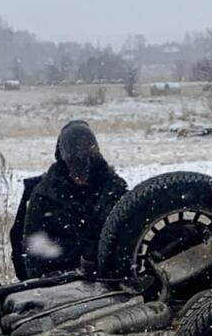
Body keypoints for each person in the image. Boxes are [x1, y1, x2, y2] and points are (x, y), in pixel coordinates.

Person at [11, 119, 129, 278]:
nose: (81, 173)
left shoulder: (114, 189)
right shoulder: (44, 195)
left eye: (87, 150)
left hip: (108, 280)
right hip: (59, 283)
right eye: (75, 159)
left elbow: (129, 240)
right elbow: (32, 253)